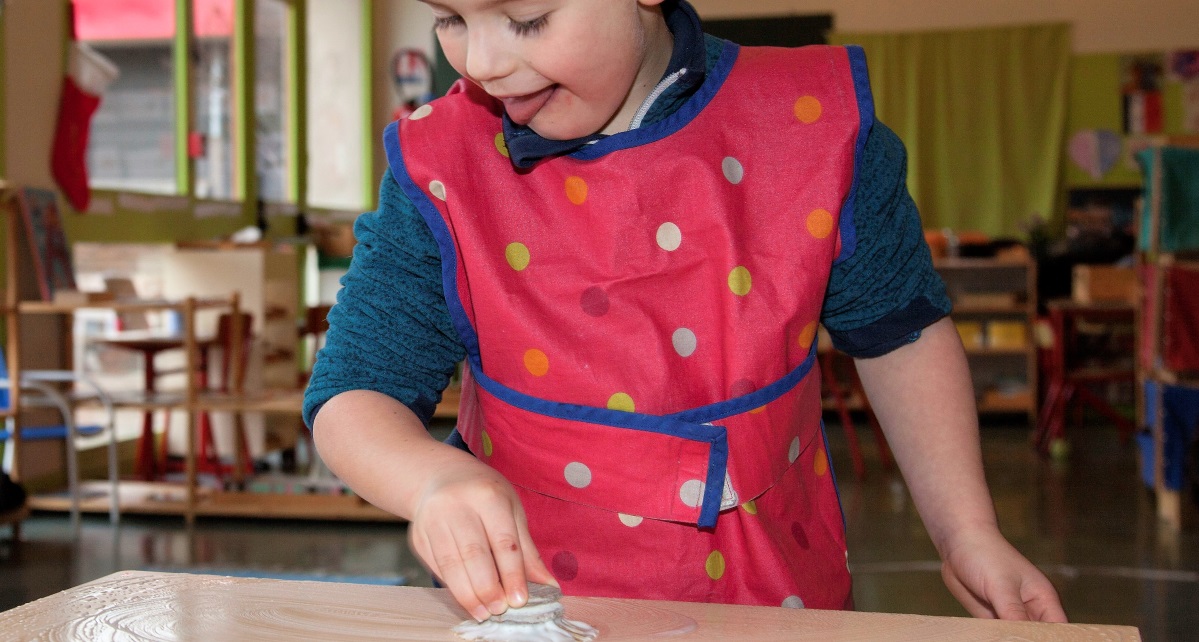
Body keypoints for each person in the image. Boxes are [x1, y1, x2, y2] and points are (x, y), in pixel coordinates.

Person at [305, 0, 1067, 625]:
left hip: (776, 596)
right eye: (450, 19)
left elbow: (901, 334)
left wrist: (966, 531)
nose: (482, 62)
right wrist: (429, 481)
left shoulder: (812, 125)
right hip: (535, 609)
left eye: (528, 19)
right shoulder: (440, 166)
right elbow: (351, 394)